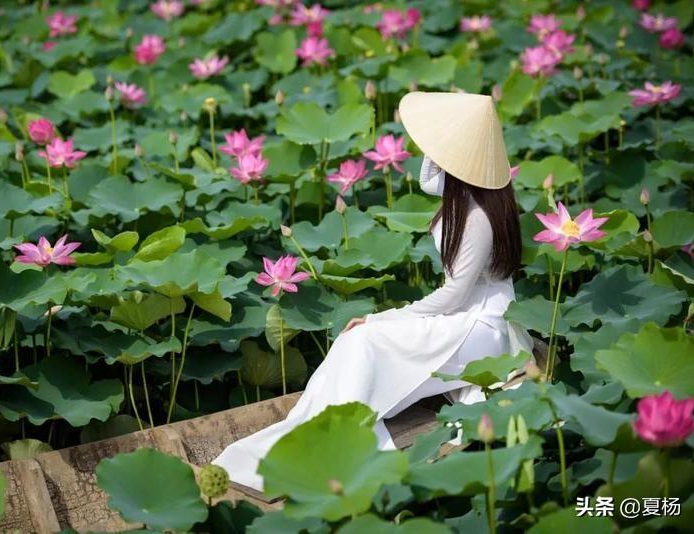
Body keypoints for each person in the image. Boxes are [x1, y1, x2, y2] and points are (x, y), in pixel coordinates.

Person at [210, 91, 534, 492]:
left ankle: (342, 445)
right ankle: (320, 426)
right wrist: (441, 140)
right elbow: (429, 179)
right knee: (357, 342)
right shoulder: (467, 192)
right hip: (458, 316)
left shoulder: (478, 218)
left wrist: (385, 317)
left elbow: (453, 295)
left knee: (365, 339)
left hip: (478, 328)